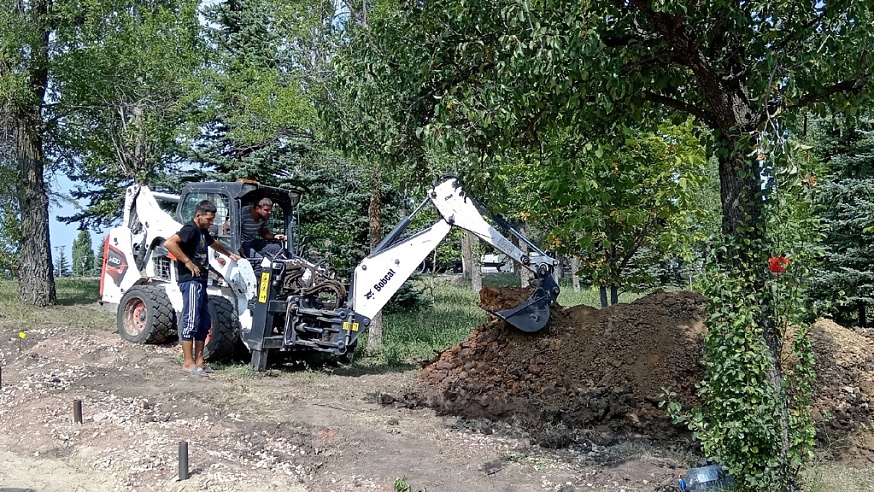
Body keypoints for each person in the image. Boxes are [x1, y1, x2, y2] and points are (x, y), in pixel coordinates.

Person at [164, 200, 242, 376]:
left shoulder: (202, 231)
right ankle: (187, 363)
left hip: (201, 281)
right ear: (198, 215)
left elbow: (213, 243)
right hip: (190, 281)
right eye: (208, 219)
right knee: (191, 319)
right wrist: (188, 262)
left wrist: (229, 254)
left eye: (213, 219)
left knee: (204, 321)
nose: (211, 222)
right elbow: (169, 243)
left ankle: (200, 361)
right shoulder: (190, 228)